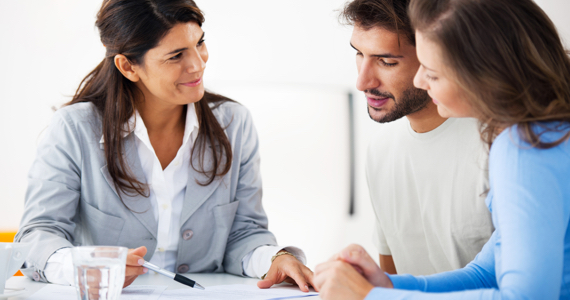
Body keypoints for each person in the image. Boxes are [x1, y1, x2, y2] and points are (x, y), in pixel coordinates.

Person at [14, 0, 314, 291]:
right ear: (128, 67)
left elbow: (244, 233)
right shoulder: (75, 129)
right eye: (176, 56)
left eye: (200, 43)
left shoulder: (234, 123)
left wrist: (275, 258)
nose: (197, 64)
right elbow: (37, 237)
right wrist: (90, 265)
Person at [314, 0, 570, 298]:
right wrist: (386, 286)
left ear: (483, 73)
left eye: (432, 72)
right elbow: (487, 272)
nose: (422, 81)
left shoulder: (525, 147)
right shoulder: (537, 135)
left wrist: (370, 296)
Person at [342, 0, 493, 276]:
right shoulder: (381, 150)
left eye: (386, 61)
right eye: (359, 54)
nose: (362, 82)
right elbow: (391, 282)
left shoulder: (498, 143)